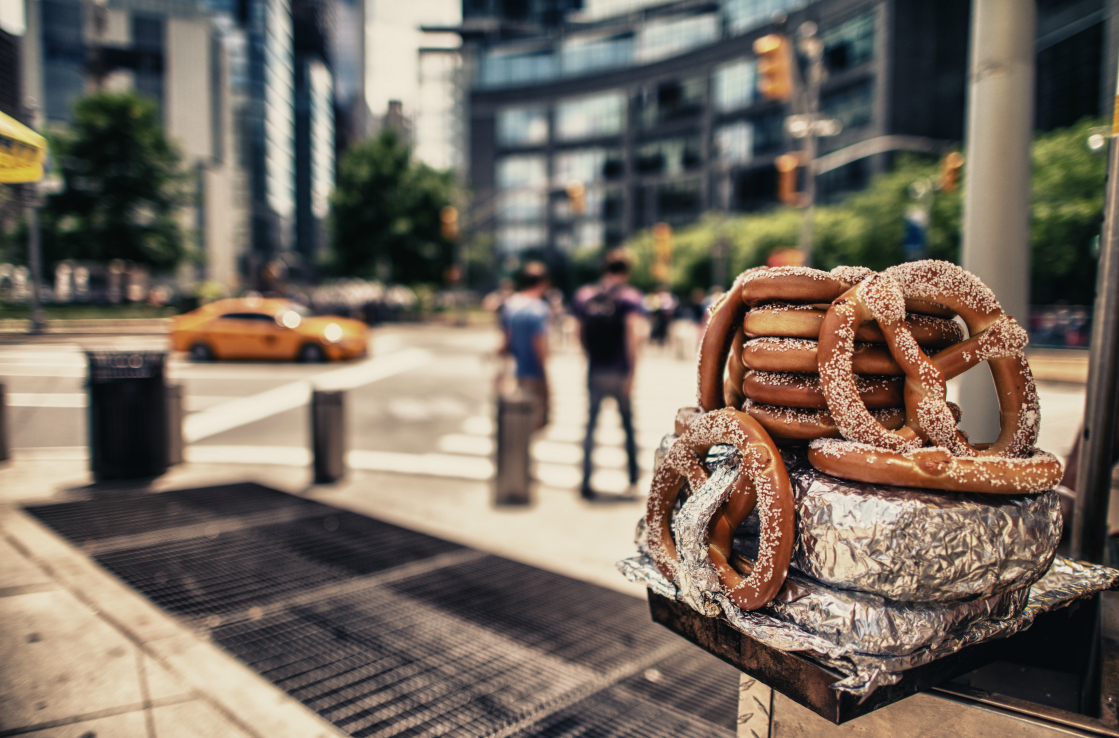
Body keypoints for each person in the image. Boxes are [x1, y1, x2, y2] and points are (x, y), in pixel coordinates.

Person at [572, 250, 643, 499]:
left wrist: (587, 357)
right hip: (620, 370)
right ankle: (633, 476)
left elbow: (577, 331)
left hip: (596, 369)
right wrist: (632, 371)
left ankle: (585, 480)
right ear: (626, 272)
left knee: (591, 425)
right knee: (627, 425)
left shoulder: (585, 295)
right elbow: (633, 334)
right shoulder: (629, 297)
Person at [499, 262, 551, 430]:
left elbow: (505, 344)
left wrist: (501, 374)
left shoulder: (510, 305)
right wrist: (546, 379)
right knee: (533, 424)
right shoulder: (539, 309)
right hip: (533, 374)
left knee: (515, 426)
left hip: (514, 373)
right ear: (542, 284)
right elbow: (539, 345)